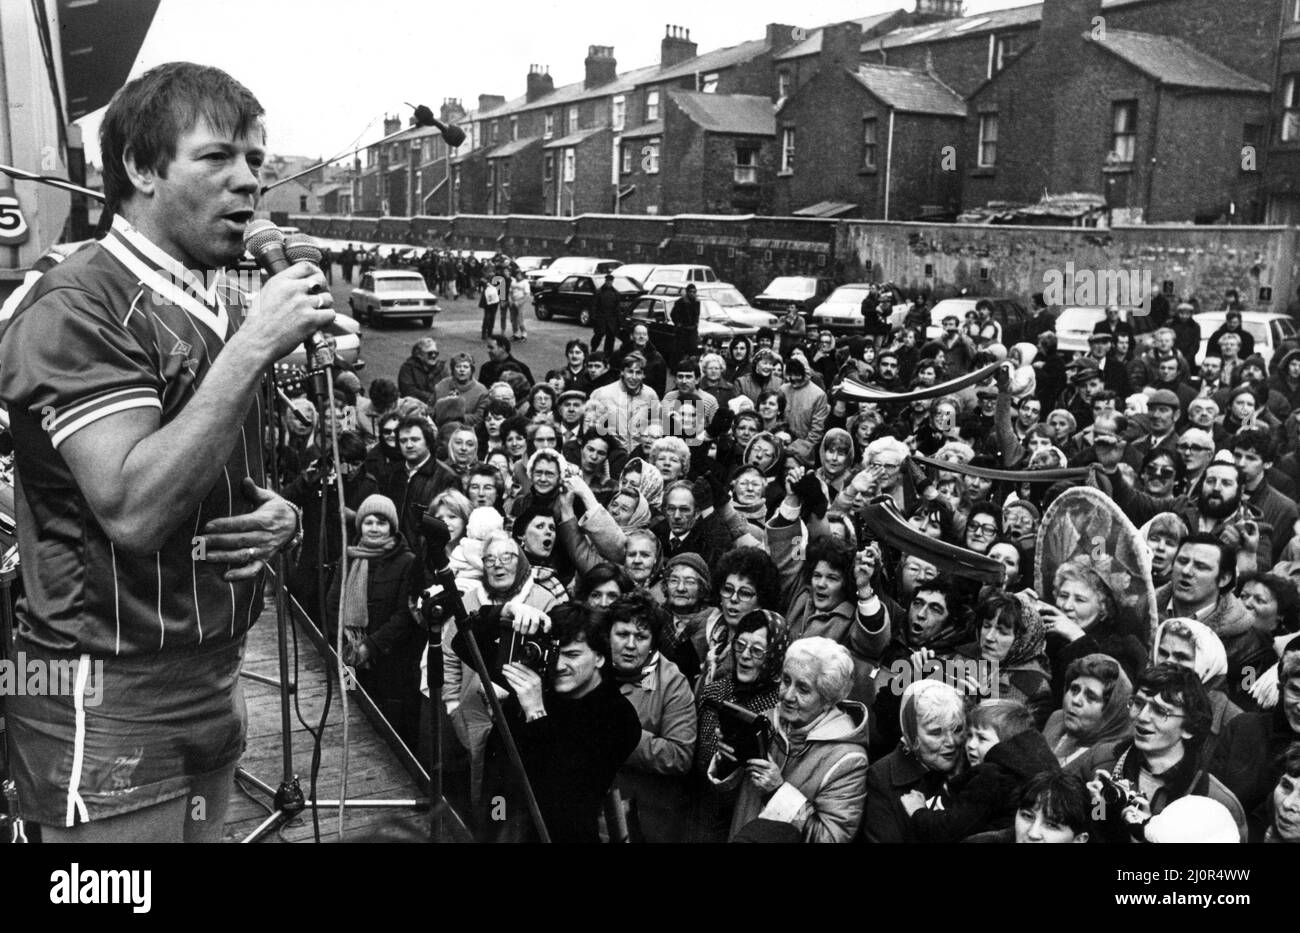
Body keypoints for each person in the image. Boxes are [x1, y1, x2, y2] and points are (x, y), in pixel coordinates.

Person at [0, 62, 336, 841]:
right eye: (218, 157)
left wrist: (272, 513)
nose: (249, 182)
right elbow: (134, 506)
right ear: (142, 169)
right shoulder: (80, 299)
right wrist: (256, 346)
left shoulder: (205, 294)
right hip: (105, 685)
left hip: (214, 666)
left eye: (256, 160)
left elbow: (205, 457)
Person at [454, 602, 641, 842]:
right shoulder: (539, 679)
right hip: (501, 817)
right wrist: (502, 611)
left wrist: (536, 713)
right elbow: (464, 643)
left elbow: (565, 789)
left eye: (573, 654)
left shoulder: (619, 717)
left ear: (600, 658)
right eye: (554, 653)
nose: (559, 666)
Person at [707, 637, 870, 842]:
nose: (787, 695)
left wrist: (777, 792)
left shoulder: (848, 760)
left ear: (828, 699)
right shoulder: (767, 720)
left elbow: (830, 837)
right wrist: (728, 761)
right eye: (785, 680)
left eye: (803, 689)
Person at [1069, 663, 1247, 843]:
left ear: (1190, 728)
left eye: (1160, 711)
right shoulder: (1103, 760)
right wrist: (1099, 807)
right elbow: (1081, 828)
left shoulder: (1214, 802)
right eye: (1138, 703)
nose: (1142, 717)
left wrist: (1148, 834)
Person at [324, 494, 422, 748]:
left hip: (389, 662)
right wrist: (345, 645)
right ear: (360, 526)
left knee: (387, 729)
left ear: (392, 527)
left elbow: (403, 617)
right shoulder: (349, 556)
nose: (375, 528)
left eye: (382, 522)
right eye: (369, 522)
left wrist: (370, 646)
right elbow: (334, 603)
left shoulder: (407, 562)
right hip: (348, 655)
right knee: (351, 709)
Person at [604, 592, 697, 843]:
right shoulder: (594, 667)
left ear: (653, 643)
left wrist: (623, 735)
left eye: (641, 637)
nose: (631, 645)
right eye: (623, 635)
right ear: (608, 635)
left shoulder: (670, 681)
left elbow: (680, 755)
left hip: (647, 817)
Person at [862, 679, 967, 843]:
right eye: (936, 733)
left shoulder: (975, 764)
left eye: (957, 729)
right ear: (911, 733)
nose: (951, 742)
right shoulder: (882, 777)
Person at [1042, 654, 1135, 766]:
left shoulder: (1109, 755)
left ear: (1109, 710)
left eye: (1090, 697)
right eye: (1074, 689)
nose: (1076, 700)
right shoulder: (1056, 719)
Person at [398, 337, 446, 407]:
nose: (433, 356)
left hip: (438, 406)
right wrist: (431, 398)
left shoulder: (442, 368)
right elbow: (408, 391)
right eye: (430, 353)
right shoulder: (407, 368)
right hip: (415, 407)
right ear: (419, 354)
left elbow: (448, 386)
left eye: (436, 353)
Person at [592, 273, 623, 354]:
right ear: (605, 281)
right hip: (601, 318)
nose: (609, 282)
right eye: (607, 281)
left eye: (610, 281)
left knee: (610, 337)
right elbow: (594, 305)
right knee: (598, 335)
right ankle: (593, 349)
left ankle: (608, 354)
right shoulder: (599, 292)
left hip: (611, 320)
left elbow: (617, 308)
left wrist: (619, 321)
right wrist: (594, 318)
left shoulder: (616, 293)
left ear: (612, 282)